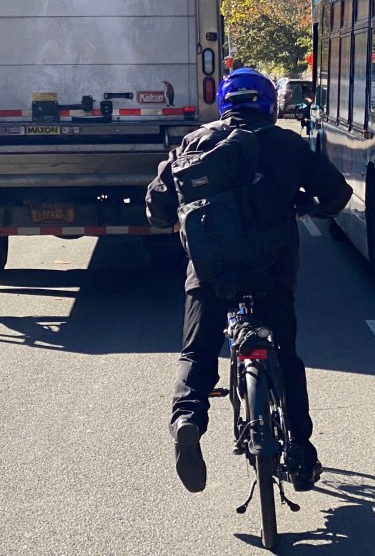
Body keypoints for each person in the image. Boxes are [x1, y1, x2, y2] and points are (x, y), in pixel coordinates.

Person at [146, 67, 351, 495]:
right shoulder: (288, 144)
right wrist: (305, 208)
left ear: (224, 103)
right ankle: (301, 451)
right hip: (271, 269)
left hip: (209, 271)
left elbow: (158, 203)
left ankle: (187, 418)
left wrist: (174, 223)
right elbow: (337, 194)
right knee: (286, 354)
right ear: (269, 104)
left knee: (198, 351)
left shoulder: (195, 141)